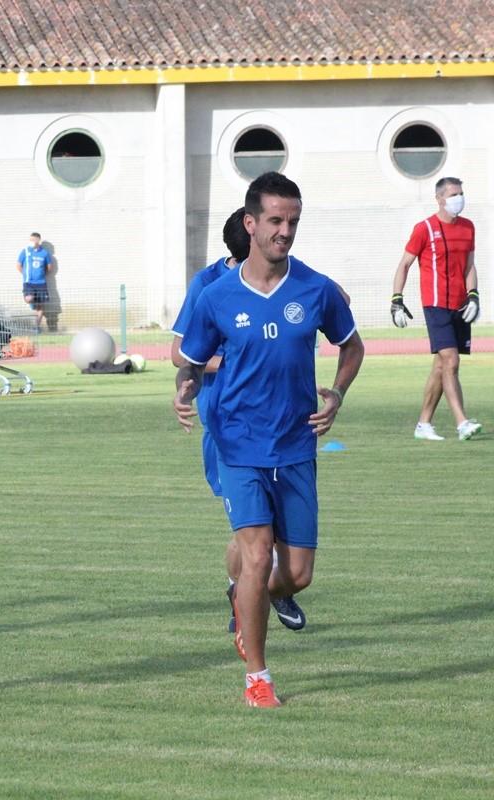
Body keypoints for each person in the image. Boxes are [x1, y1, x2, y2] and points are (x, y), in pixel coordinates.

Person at [174, 172, 364, 708]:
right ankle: (258, 678)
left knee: (296, 574)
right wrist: (183, 390)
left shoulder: (317, 288)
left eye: (293, 222)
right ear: (251, 224)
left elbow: (351, 348)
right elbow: (187, 360)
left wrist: (338, 395)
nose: (285, 231)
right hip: (238, 442)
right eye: (276, 221)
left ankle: (245, 600)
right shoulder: (215, 296)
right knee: (256, 557)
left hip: (297, 444)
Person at [171, 208, 308, 636]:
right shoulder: (209, 286)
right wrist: (227, 359)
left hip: (285, 430)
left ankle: (262, 587)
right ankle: (244, 590)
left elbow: (333, 296)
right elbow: (180, 352)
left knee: (267, 539)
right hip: (229, 427)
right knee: (251, 531)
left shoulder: (292, 277)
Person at [390, 177, 482, 441]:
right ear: (439, 198)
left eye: (461, 193)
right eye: (454, 194)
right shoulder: (425, 229)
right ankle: (462, 422)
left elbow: (469, 265)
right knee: (451, 360)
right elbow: (405, 264)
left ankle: (423, 425)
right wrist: (396, 299)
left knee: (442, 366)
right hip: (435, 304)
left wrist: (473, 295)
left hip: (459, 305)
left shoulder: (468, 228)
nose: (459, 198)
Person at [17, 232, 52, 331]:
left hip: (41, 283)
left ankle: (36, 327)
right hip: (29, 283)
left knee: (40, 307)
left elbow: (49, 267)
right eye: (30, 240)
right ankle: (32, 302)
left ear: (38, 240)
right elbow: (18, 265)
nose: (31, 242)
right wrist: (25, 274)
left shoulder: (44, 253)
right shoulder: (25, 251)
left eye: (33, 240)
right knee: (29, 298)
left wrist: (41, 274)